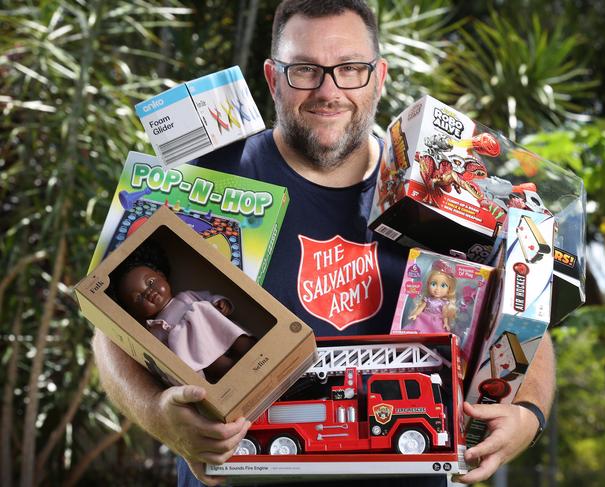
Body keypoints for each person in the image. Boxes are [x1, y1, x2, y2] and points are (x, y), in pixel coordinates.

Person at [92, 1, 556, 486]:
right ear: (273, 79)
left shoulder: (442, 190)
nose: (328, 90)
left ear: (379, 77)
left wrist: (527, 415)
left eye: (350, 68)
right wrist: (160, 417)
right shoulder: (206, 179)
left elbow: (527, 314)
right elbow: (112, 331)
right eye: (305, 70)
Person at [110, 242, 256, 384]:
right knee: (218, 365)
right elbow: (169, 356)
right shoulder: (156, 328)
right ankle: (237, 379)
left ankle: (252, 349)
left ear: (162, 275)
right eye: (139, 297)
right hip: (199, 349)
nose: (149, 292)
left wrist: (219, 302)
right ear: (135, 312)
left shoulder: (186, 296)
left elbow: (208, 297)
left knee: (241, 341)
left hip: (215, 327)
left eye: (150, 282)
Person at [407, 260, 458, 332]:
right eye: (433, 284)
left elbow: (444, 315)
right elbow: (421, 308)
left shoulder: (444, 302)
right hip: (424, 318)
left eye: (443, 286)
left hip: (436, 321)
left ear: (449, 289)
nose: (437, 289)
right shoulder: (428, 299)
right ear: (428, 284)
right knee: (418, 327)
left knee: (437, 331)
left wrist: (446, 324)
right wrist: (415, 314)